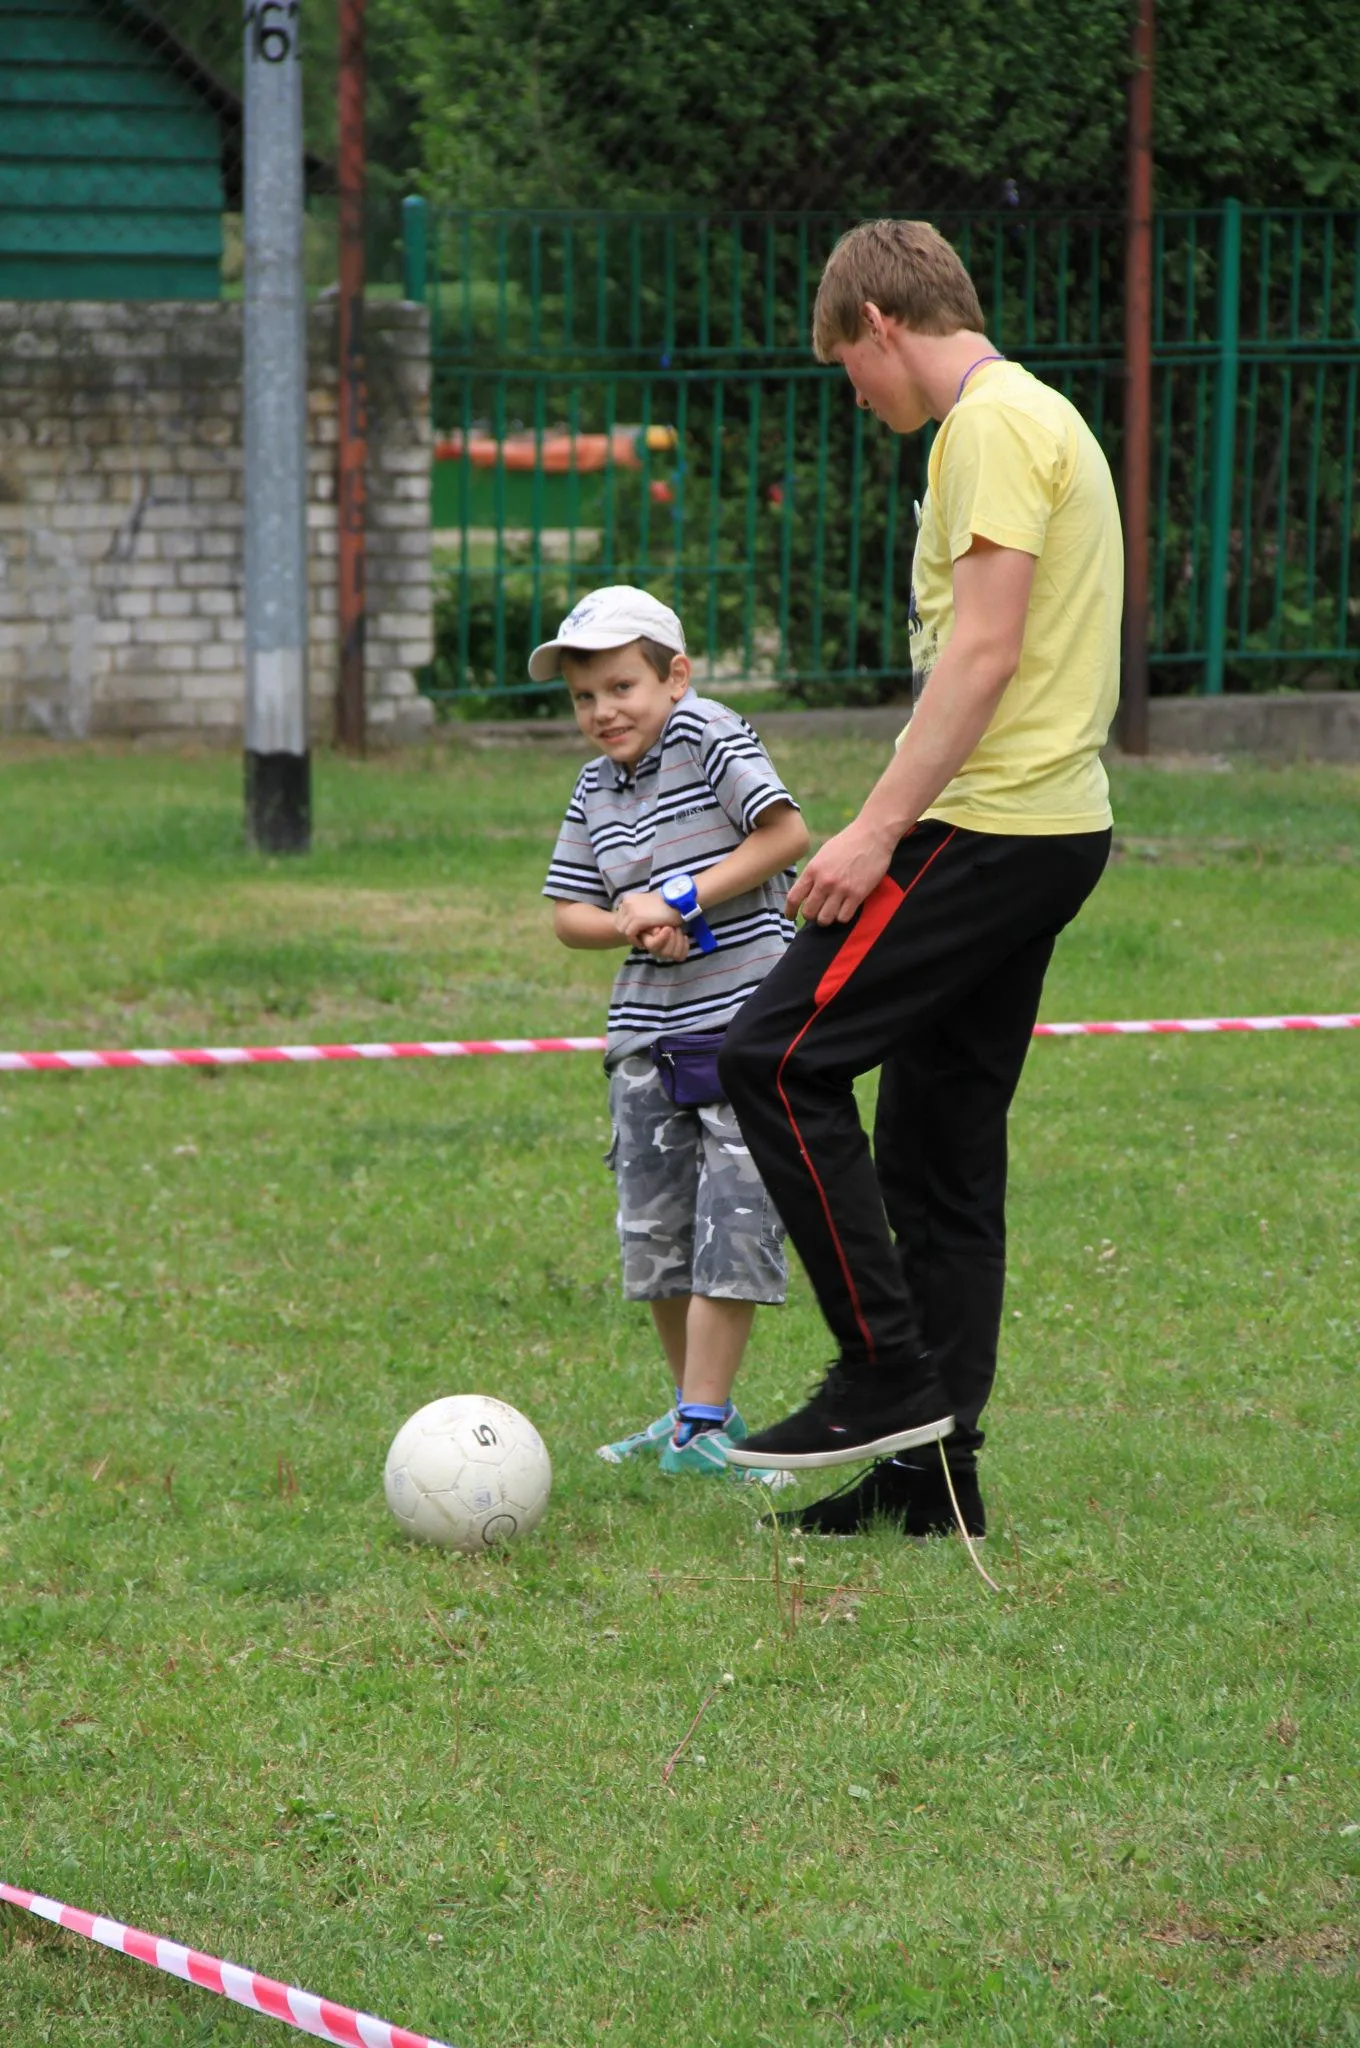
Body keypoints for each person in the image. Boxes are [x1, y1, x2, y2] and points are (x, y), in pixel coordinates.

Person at [720, 219, 1122, 1539]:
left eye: (846, 362)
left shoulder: (990, 427)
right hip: (1044, 828)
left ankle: (882, 1376)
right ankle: (932, 1481)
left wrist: (874, 830)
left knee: (775, 1059)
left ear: (882, 325)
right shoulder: (1035, 416)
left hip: (988, 827)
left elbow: (985, 652)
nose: (853, 392)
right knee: (939, 1149)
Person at [536, 584, 810, 1477]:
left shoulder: (707, 732)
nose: (602, 712)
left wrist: (681, 897)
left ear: (675, 677)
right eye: (584, 697)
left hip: (741, 1029)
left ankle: (702, 1424)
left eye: (622, 687)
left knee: (733, 1227)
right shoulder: (594, 785)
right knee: (658, 1239)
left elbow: (786, 835)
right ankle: (696, 1417)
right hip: (644, 1040)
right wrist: (631, 919)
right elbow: (568, 914)